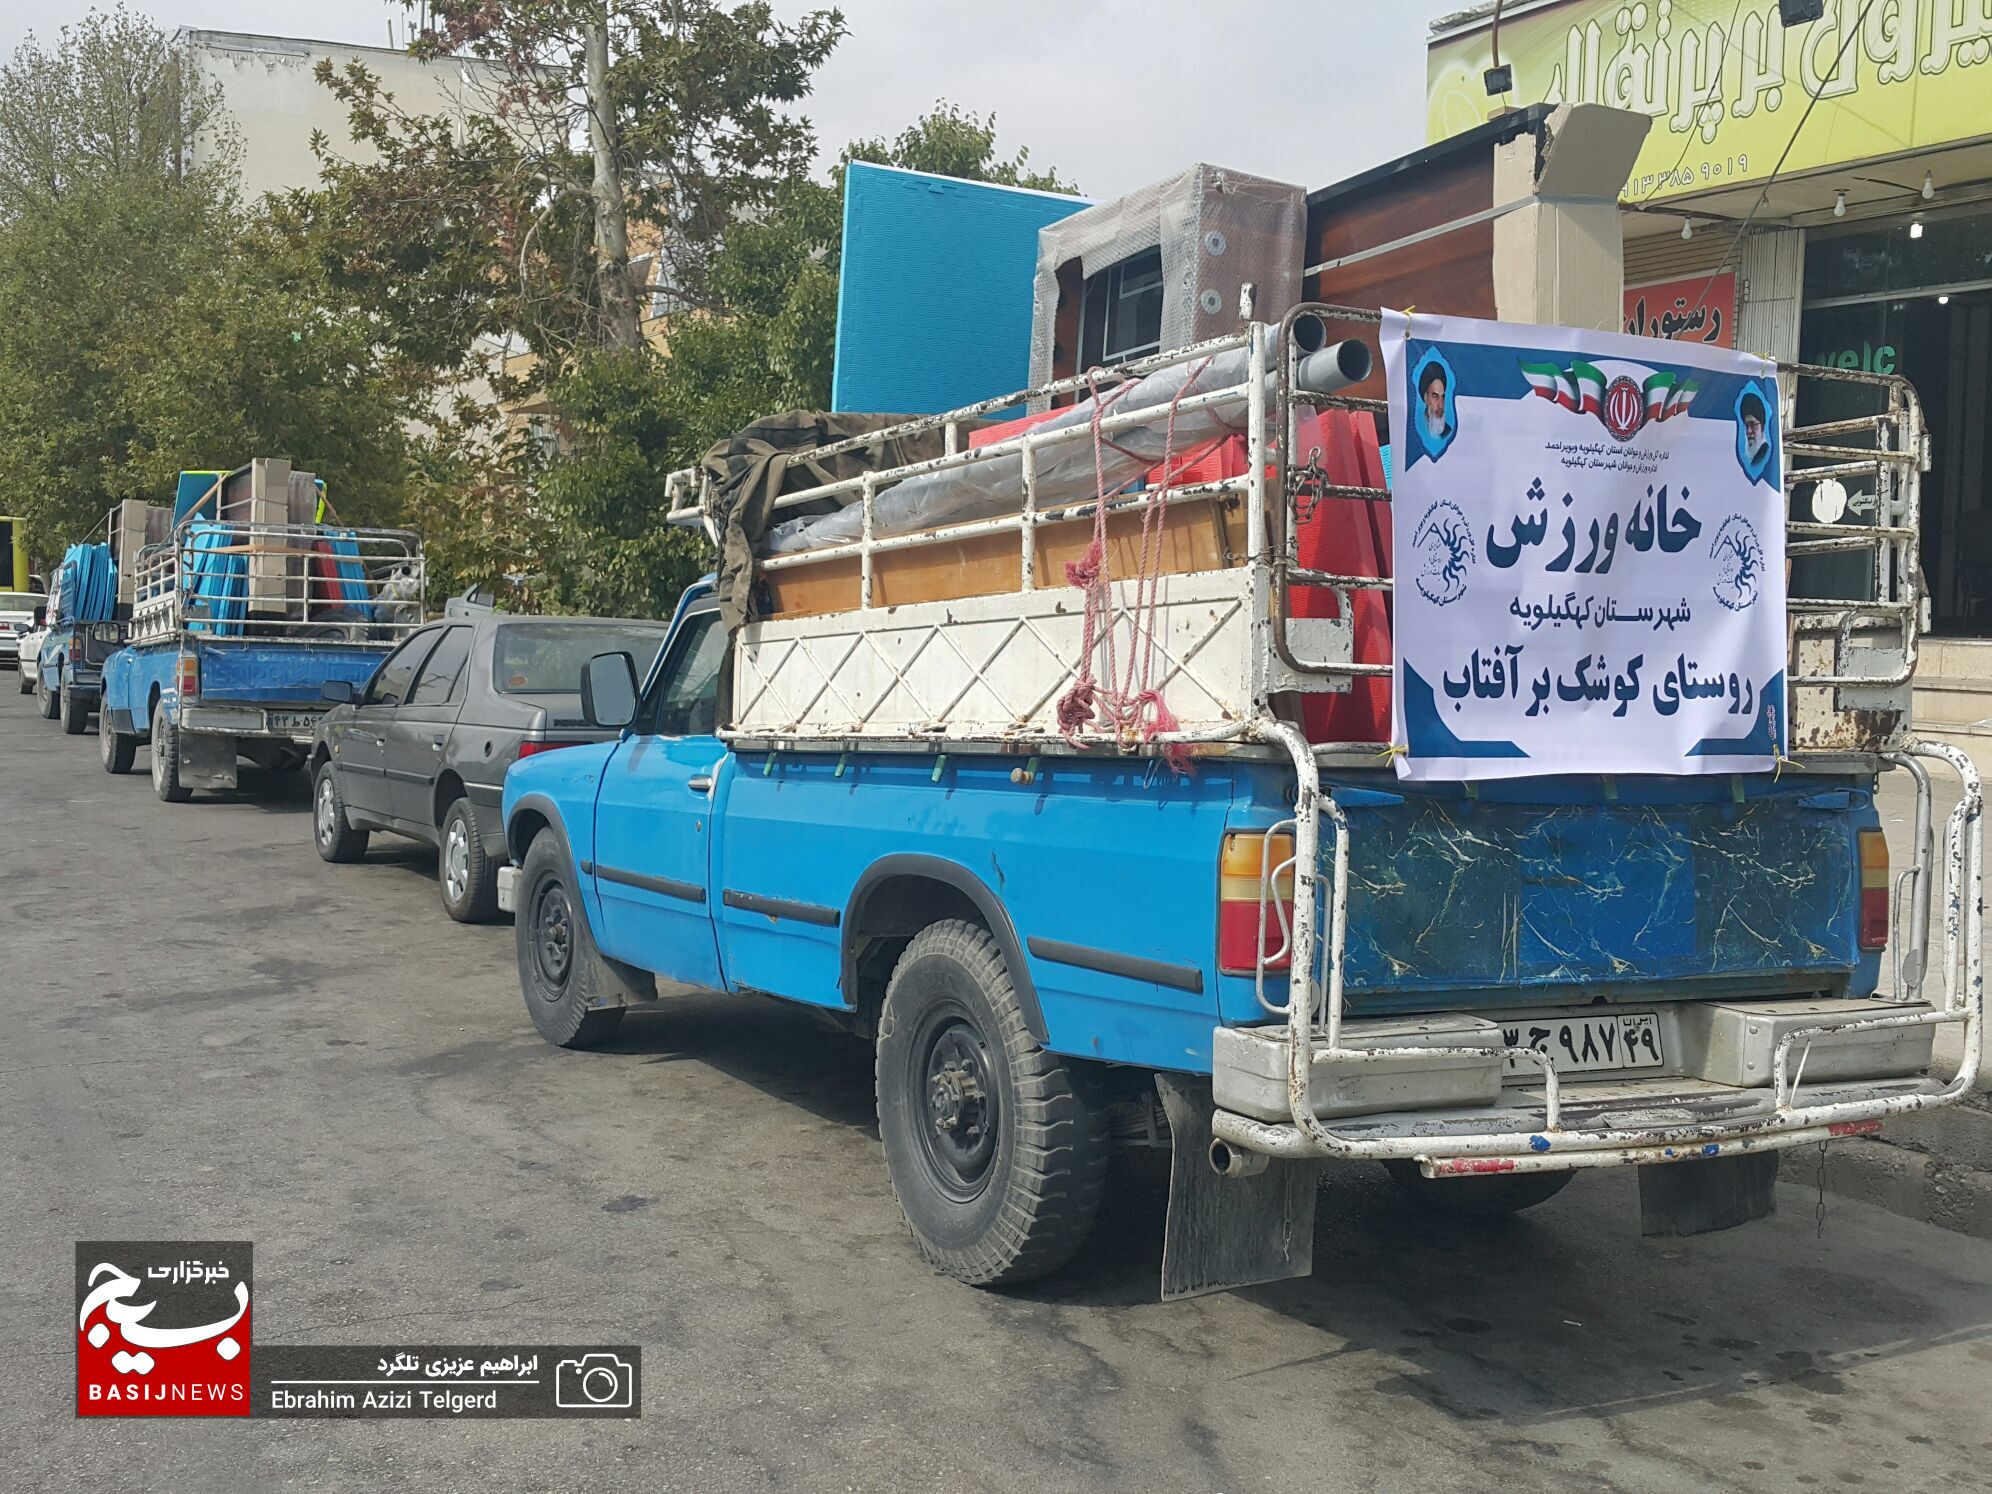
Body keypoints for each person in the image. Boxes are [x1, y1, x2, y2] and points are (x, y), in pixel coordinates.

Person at [1418, 361, 1453, 451]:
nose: (1440, 404)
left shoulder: (1449, 433)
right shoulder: (1416, 427)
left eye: (1443, 397)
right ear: (1425, 397)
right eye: (1435, 396)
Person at [1741, 392, 1770, 468]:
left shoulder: (1765, 455)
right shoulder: (1754, 459)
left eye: (1753, 425)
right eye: (1747, 426)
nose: (1749, 431)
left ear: (1762, 426)